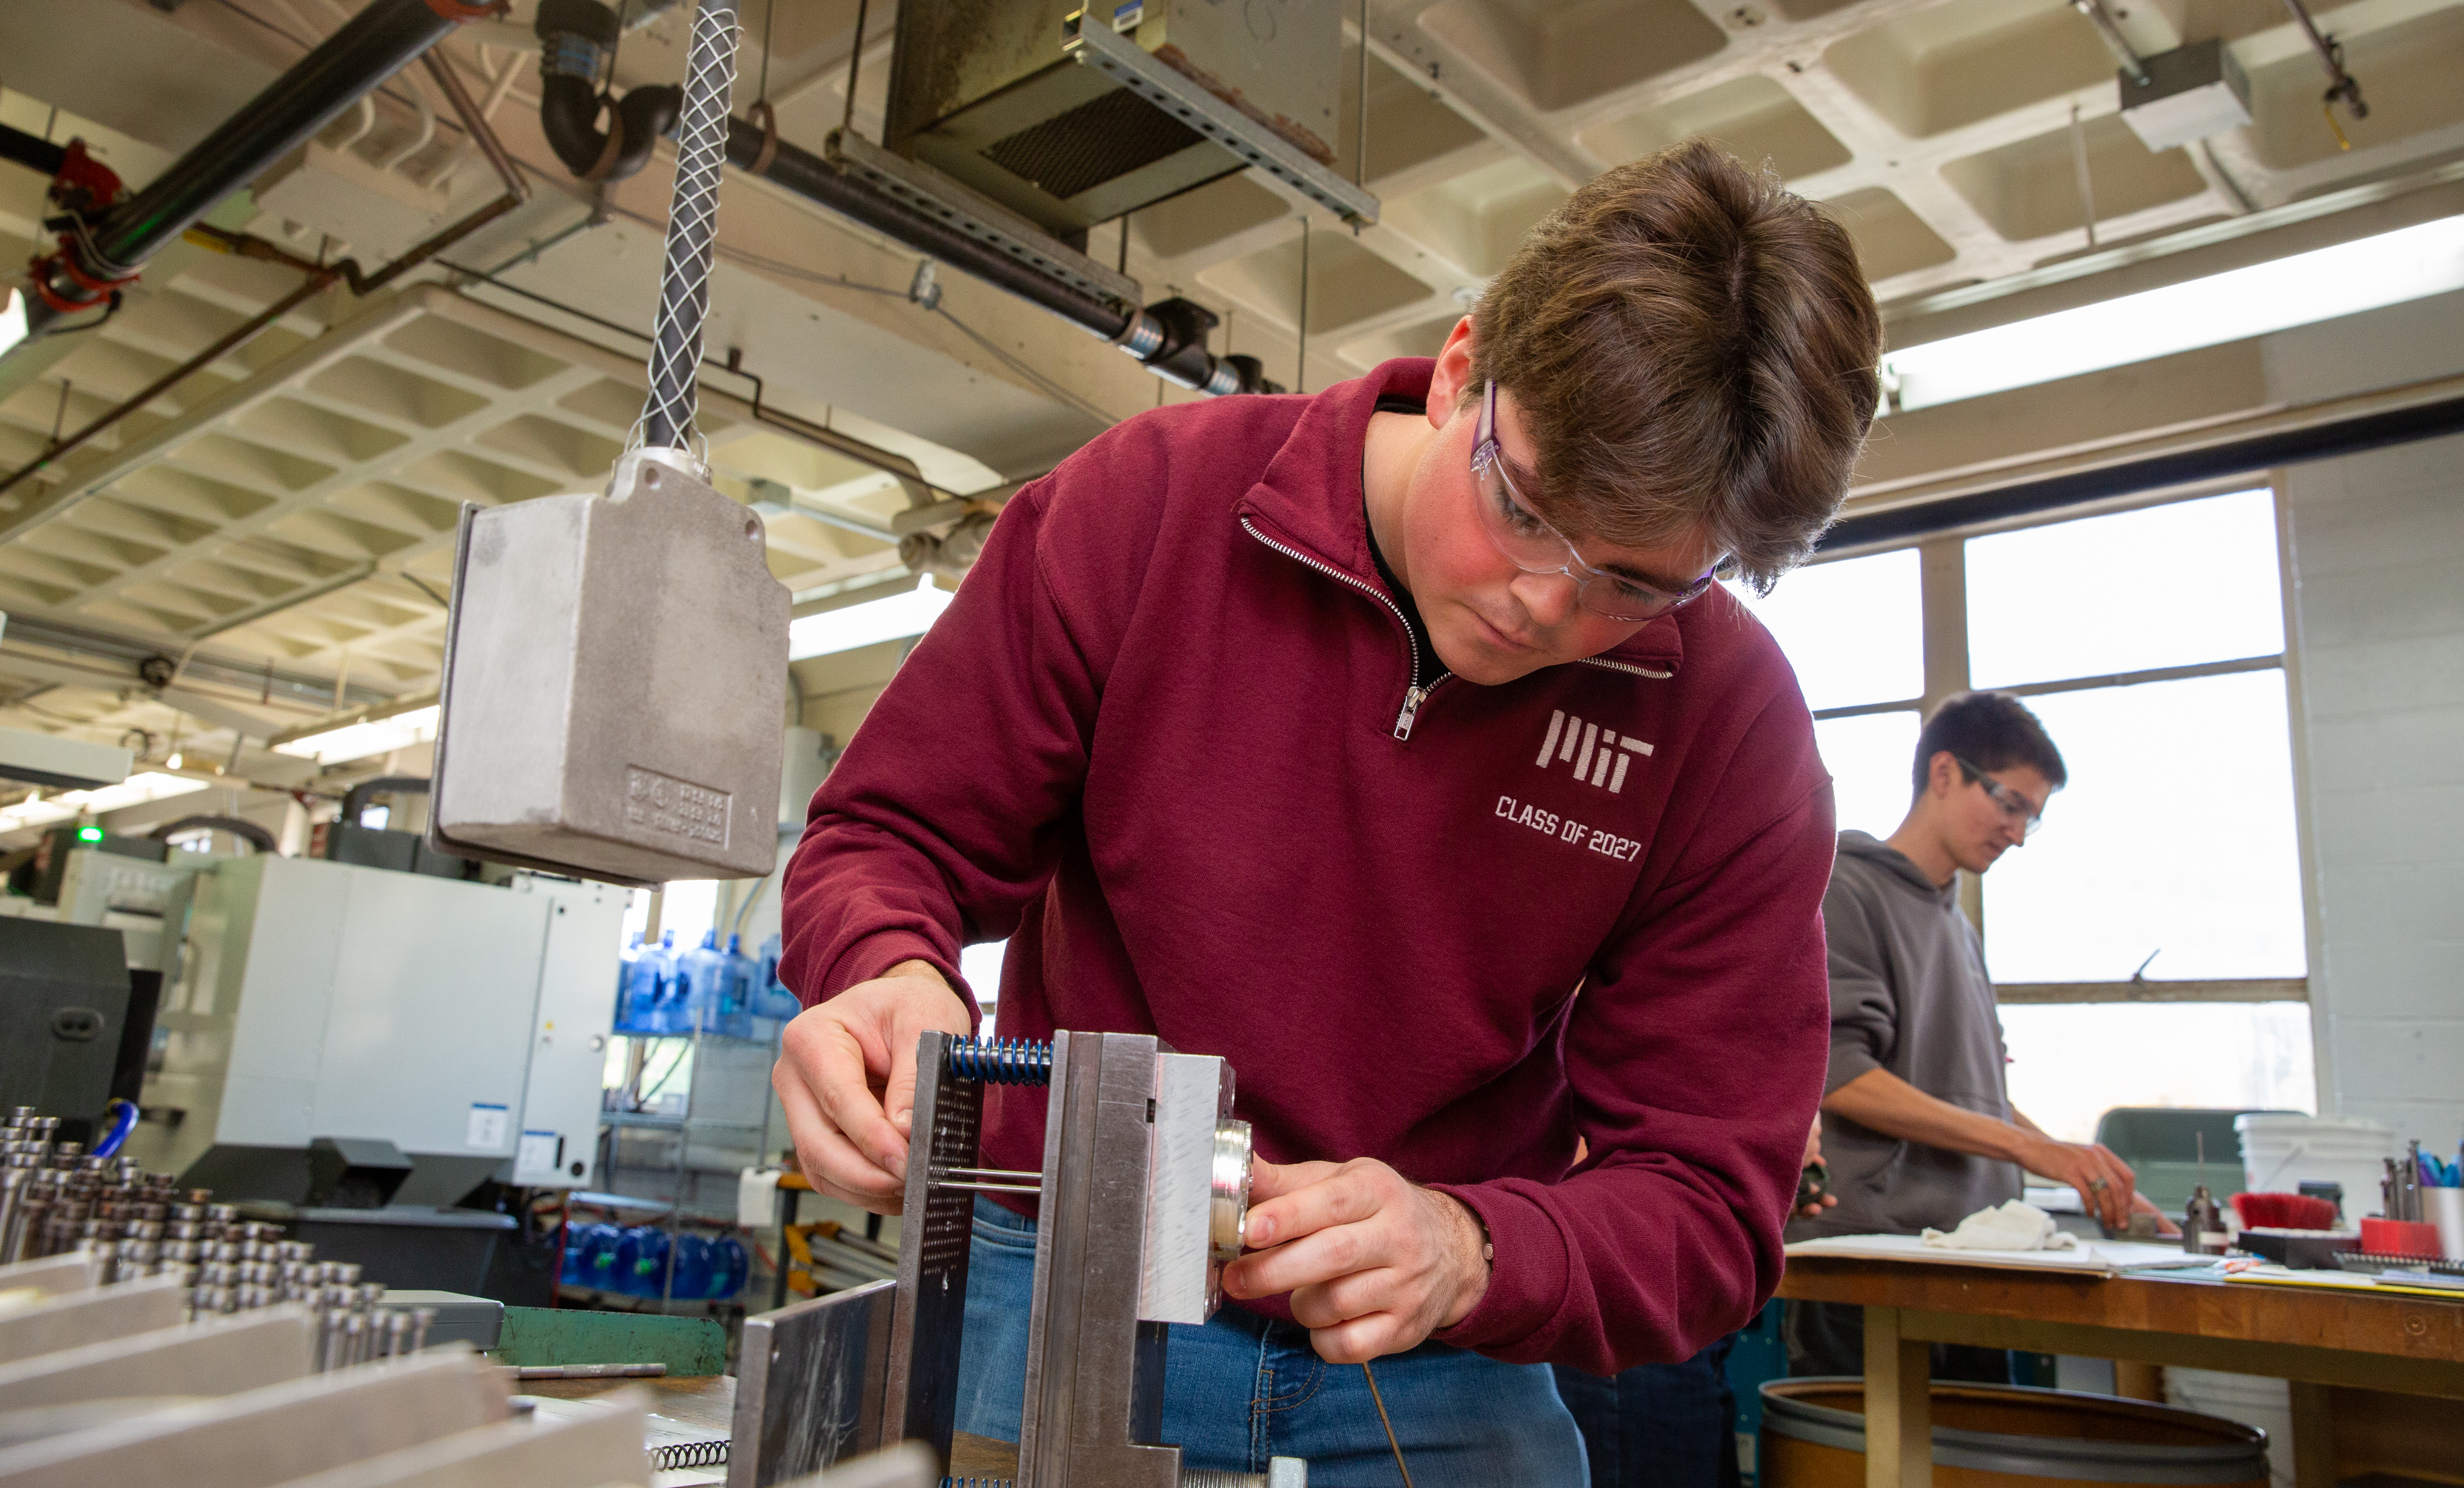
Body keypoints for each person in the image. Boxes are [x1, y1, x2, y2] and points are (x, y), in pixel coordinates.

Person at [772, 140, 1883, 1482]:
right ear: (1466, 366)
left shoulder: (1727, 725)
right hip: (1056, 1274)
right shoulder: (1152, 506)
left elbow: (1711, 1201)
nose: (1547, 602)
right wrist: (883, 969)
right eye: (1525, 507)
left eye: (1636, 583)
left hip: (1443, 1357)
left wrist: (1475, 1248)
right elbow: (891, 833)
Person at [1786, 692, 2168, 1380]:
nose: (2018, 833)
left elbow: (1974, 1094)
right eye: (2010, 803)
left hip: (1969, 1250)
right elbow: (1838, 1074)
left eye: (2032, 818)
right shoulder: (1846, 890)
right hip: (1875, 1258)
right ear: (1943, 774)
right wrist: (2032, 1150)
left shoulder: (1956, 926)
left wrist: (2078, 1164)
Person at [1554, 1119, 1836, 1488]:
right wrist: (1762, 1138)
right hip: (1631, 1295)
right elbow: (1578, 1154)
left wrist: (1764, 1180)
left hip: (1690, 1306)